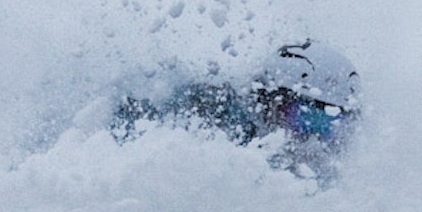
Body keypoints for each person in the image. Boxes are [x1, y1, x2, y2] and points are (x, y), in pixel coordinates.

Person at [111, 40, 359, 175]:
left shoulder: (329, 178)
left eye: (330, 125)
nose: (312, 138)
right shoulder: (211, 119)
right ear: (266, 103)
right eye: (305, 118)